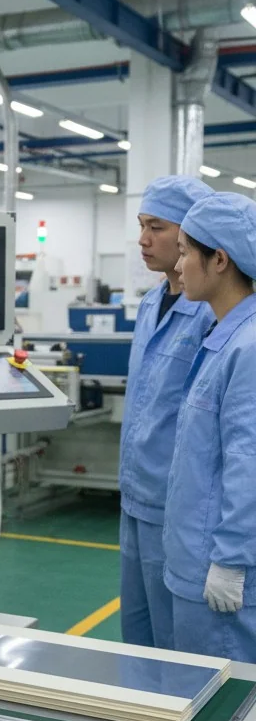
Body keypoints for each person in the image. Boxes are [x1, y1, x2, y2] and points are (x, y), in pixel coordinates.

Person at [163, 191, 256, 721]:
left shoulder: (248, 347)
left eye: (187, 251)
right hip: (196, 569)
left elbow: (248, 464)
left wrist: (231, 560)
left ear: (219, 260)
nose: (177, 263)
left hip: (221, 582)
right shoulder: (223, 333)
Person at [119, 175, 214, 648]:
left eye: (155, 226)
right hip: (134, 495)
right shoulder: (149, 303)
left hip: (175, 505)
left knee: (174, 641)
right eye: (141, 225)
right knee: (136, 630)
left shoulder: (212, 312)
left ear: (189, 233)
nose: (143, 239)